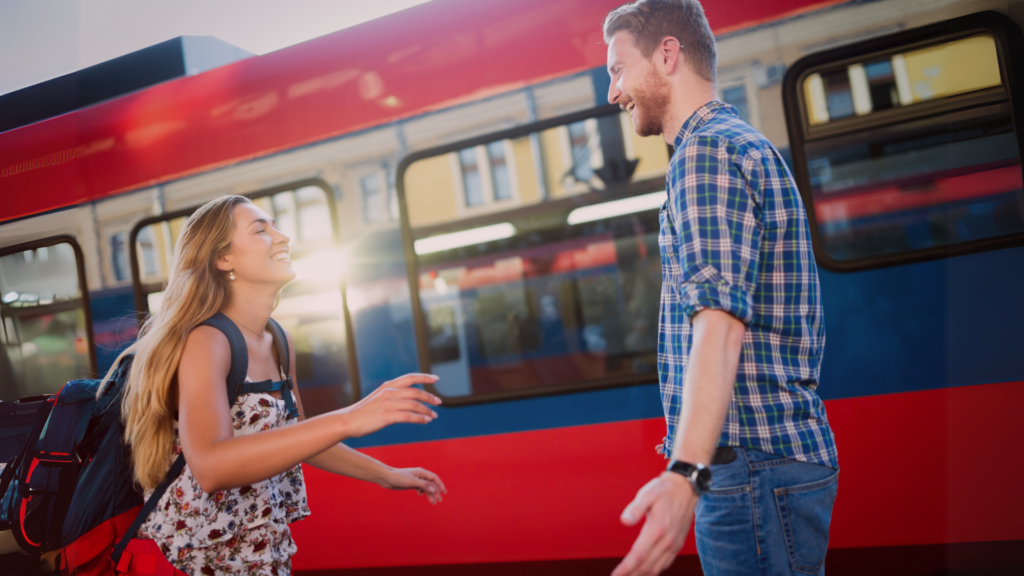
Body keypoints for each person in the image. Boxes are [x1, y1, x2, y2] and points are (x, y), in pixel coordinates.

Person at [602, 2, 839, 575]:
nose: (613, 93)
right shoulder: (740, 143)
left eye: (617, 69)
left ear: (667, 54)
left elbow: (719, 324)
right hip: (766, 463)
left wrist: (685, 473)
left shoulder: (704, 154)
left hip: (750, 467)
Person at [101, 195, 446, 575]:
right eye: (261, 230)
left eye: (275, 226)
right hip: (197, 560)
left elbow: (294, 435)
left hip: (261, 554)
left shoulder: (276, 339)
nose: (282, 237)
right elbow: (211, 467)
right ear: (223, 259)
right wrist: (350, 417)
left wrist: (385, 474)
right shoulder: (207, 340)